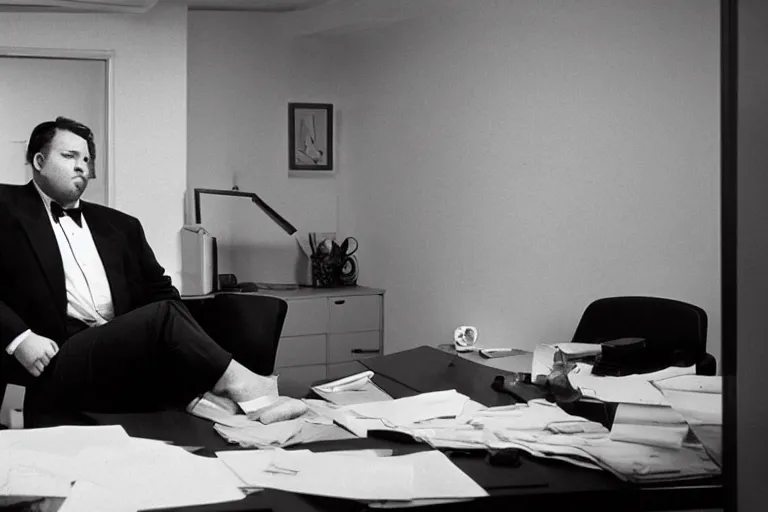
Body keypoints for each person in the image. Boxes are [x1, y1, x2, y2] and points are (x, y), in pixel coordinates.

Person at [0, 116, 276, 426]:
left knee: (169, 308)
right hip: (56, 356)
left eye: (87, 159)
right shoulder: (5, 206)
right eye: (69, 156)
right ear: (39, 160)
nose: (82, 166)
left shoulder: (121, 226)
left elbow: (162, 294)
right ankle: (244, 387)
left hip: (120, 351)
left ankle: (212, 398)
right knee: (164, 316)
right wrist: (19, 338)